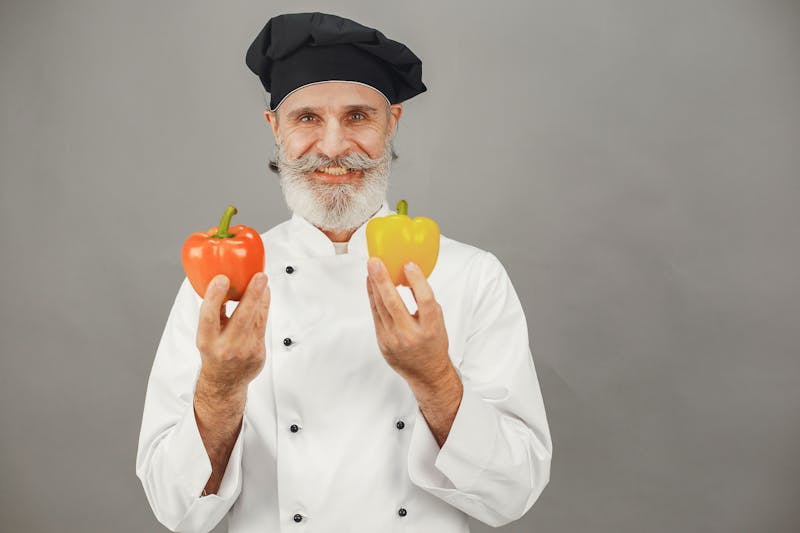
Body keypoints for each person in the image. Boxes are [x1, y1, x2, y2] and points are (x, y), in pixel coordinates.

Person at [136, 12, 552, 533]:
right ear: (275, 128)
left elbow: (514, 492)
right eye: (307, 118)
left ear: (392, 122)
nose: (333, 147)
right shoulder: (219, 284)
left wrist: (435, 379)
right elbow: (176, 509)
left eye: (357, 116)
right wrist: (220, 389)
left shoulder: (472, 276)